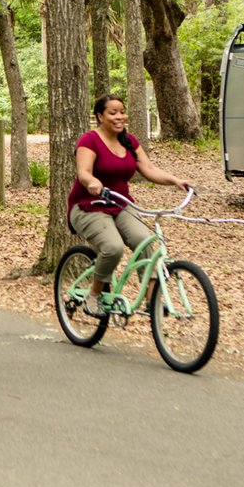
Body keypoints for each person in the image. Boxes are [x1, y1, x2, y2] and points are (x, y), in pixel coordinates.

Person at [67, 93, 193, 319]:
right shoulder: (90, 140)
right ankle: (93, 296)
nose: (119, 117)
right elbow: (83, 172)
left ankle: (151, 300)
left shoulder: (130, 141)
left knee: (146, 242)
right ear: (100, 116)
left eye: (122, 112)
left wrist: (176, 181)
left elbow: (149, 170)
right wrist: (93, 182)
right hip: (89, 205)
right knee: (113, 247)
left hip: (121, 205)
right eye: (112, 112)